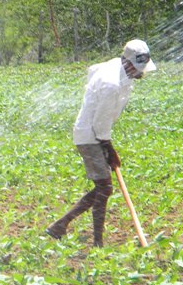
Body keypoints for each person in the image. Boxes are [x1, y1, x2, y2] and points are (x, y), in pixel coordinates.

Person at [46, 39, 156, 247]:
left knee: (103, 187)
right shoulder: (111, 84)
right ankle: (86, 237)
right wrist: (109, 149)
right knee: (104, 187)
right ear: (129, 63)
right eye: (137, 69)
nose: (141, 74)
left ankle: (63, 227)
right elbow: (100, 123)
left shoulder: (116, 67)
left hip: (93, 133)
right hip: (90, 136)